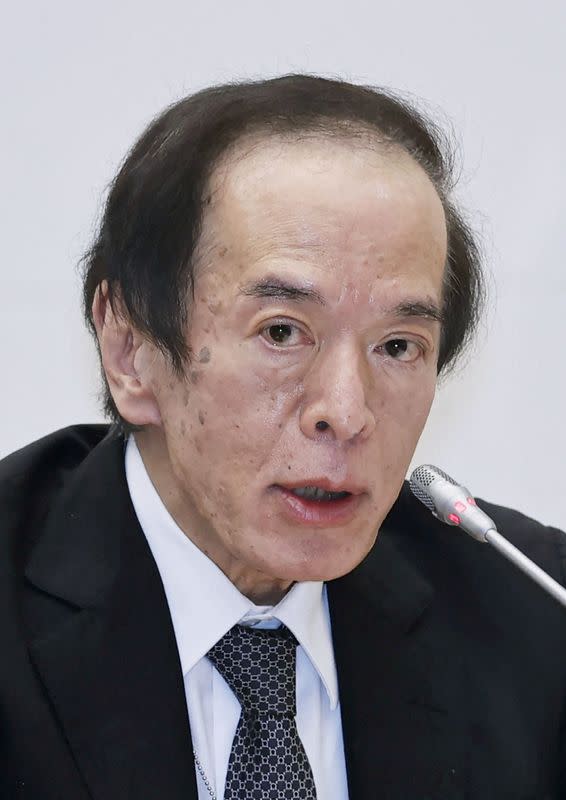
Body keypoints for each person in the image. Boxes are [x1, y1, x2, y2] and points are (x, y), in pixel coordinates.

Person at [1, 74, 565, 800]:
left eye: (397, 346)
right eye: (281, 332)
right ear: (130, 350)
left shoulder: (533, 618)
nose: (346, 411)